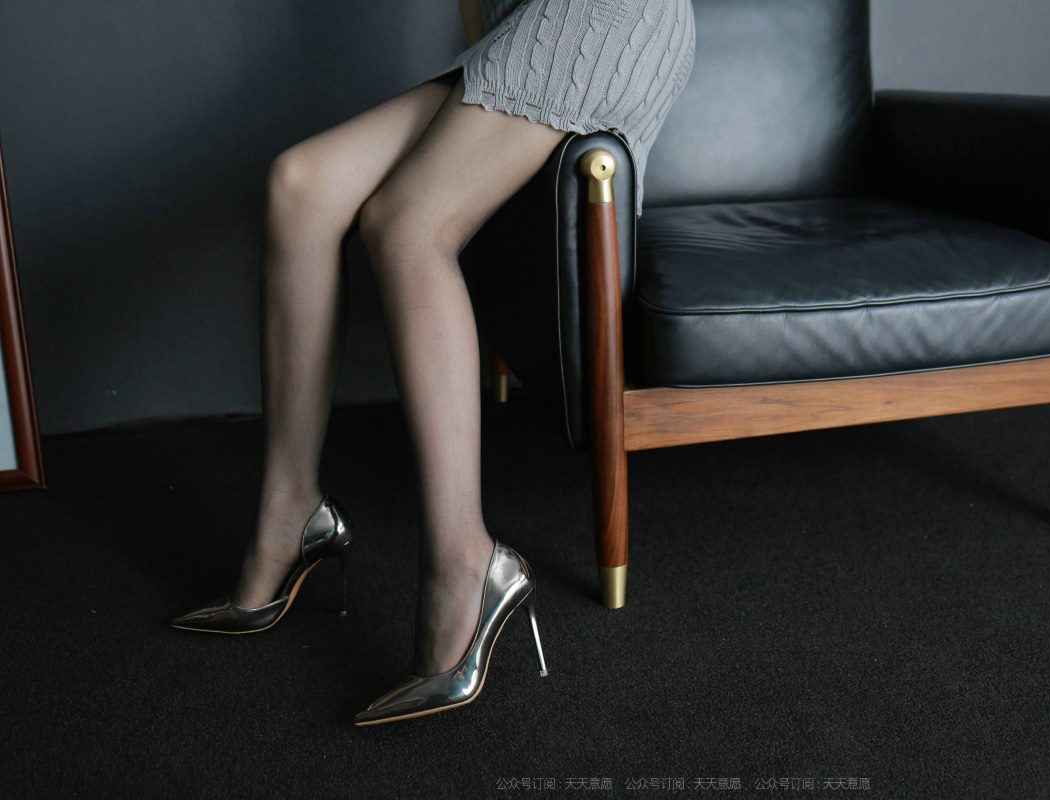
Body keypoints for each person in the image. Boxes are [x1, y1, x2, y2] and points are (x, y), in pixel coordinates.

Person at [171, 0, 696, 724]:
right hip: (525, 22)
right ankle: (290, 514)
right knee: (300, 186)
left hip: (605, 14)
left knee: (407, 226)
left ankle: (466, 564)